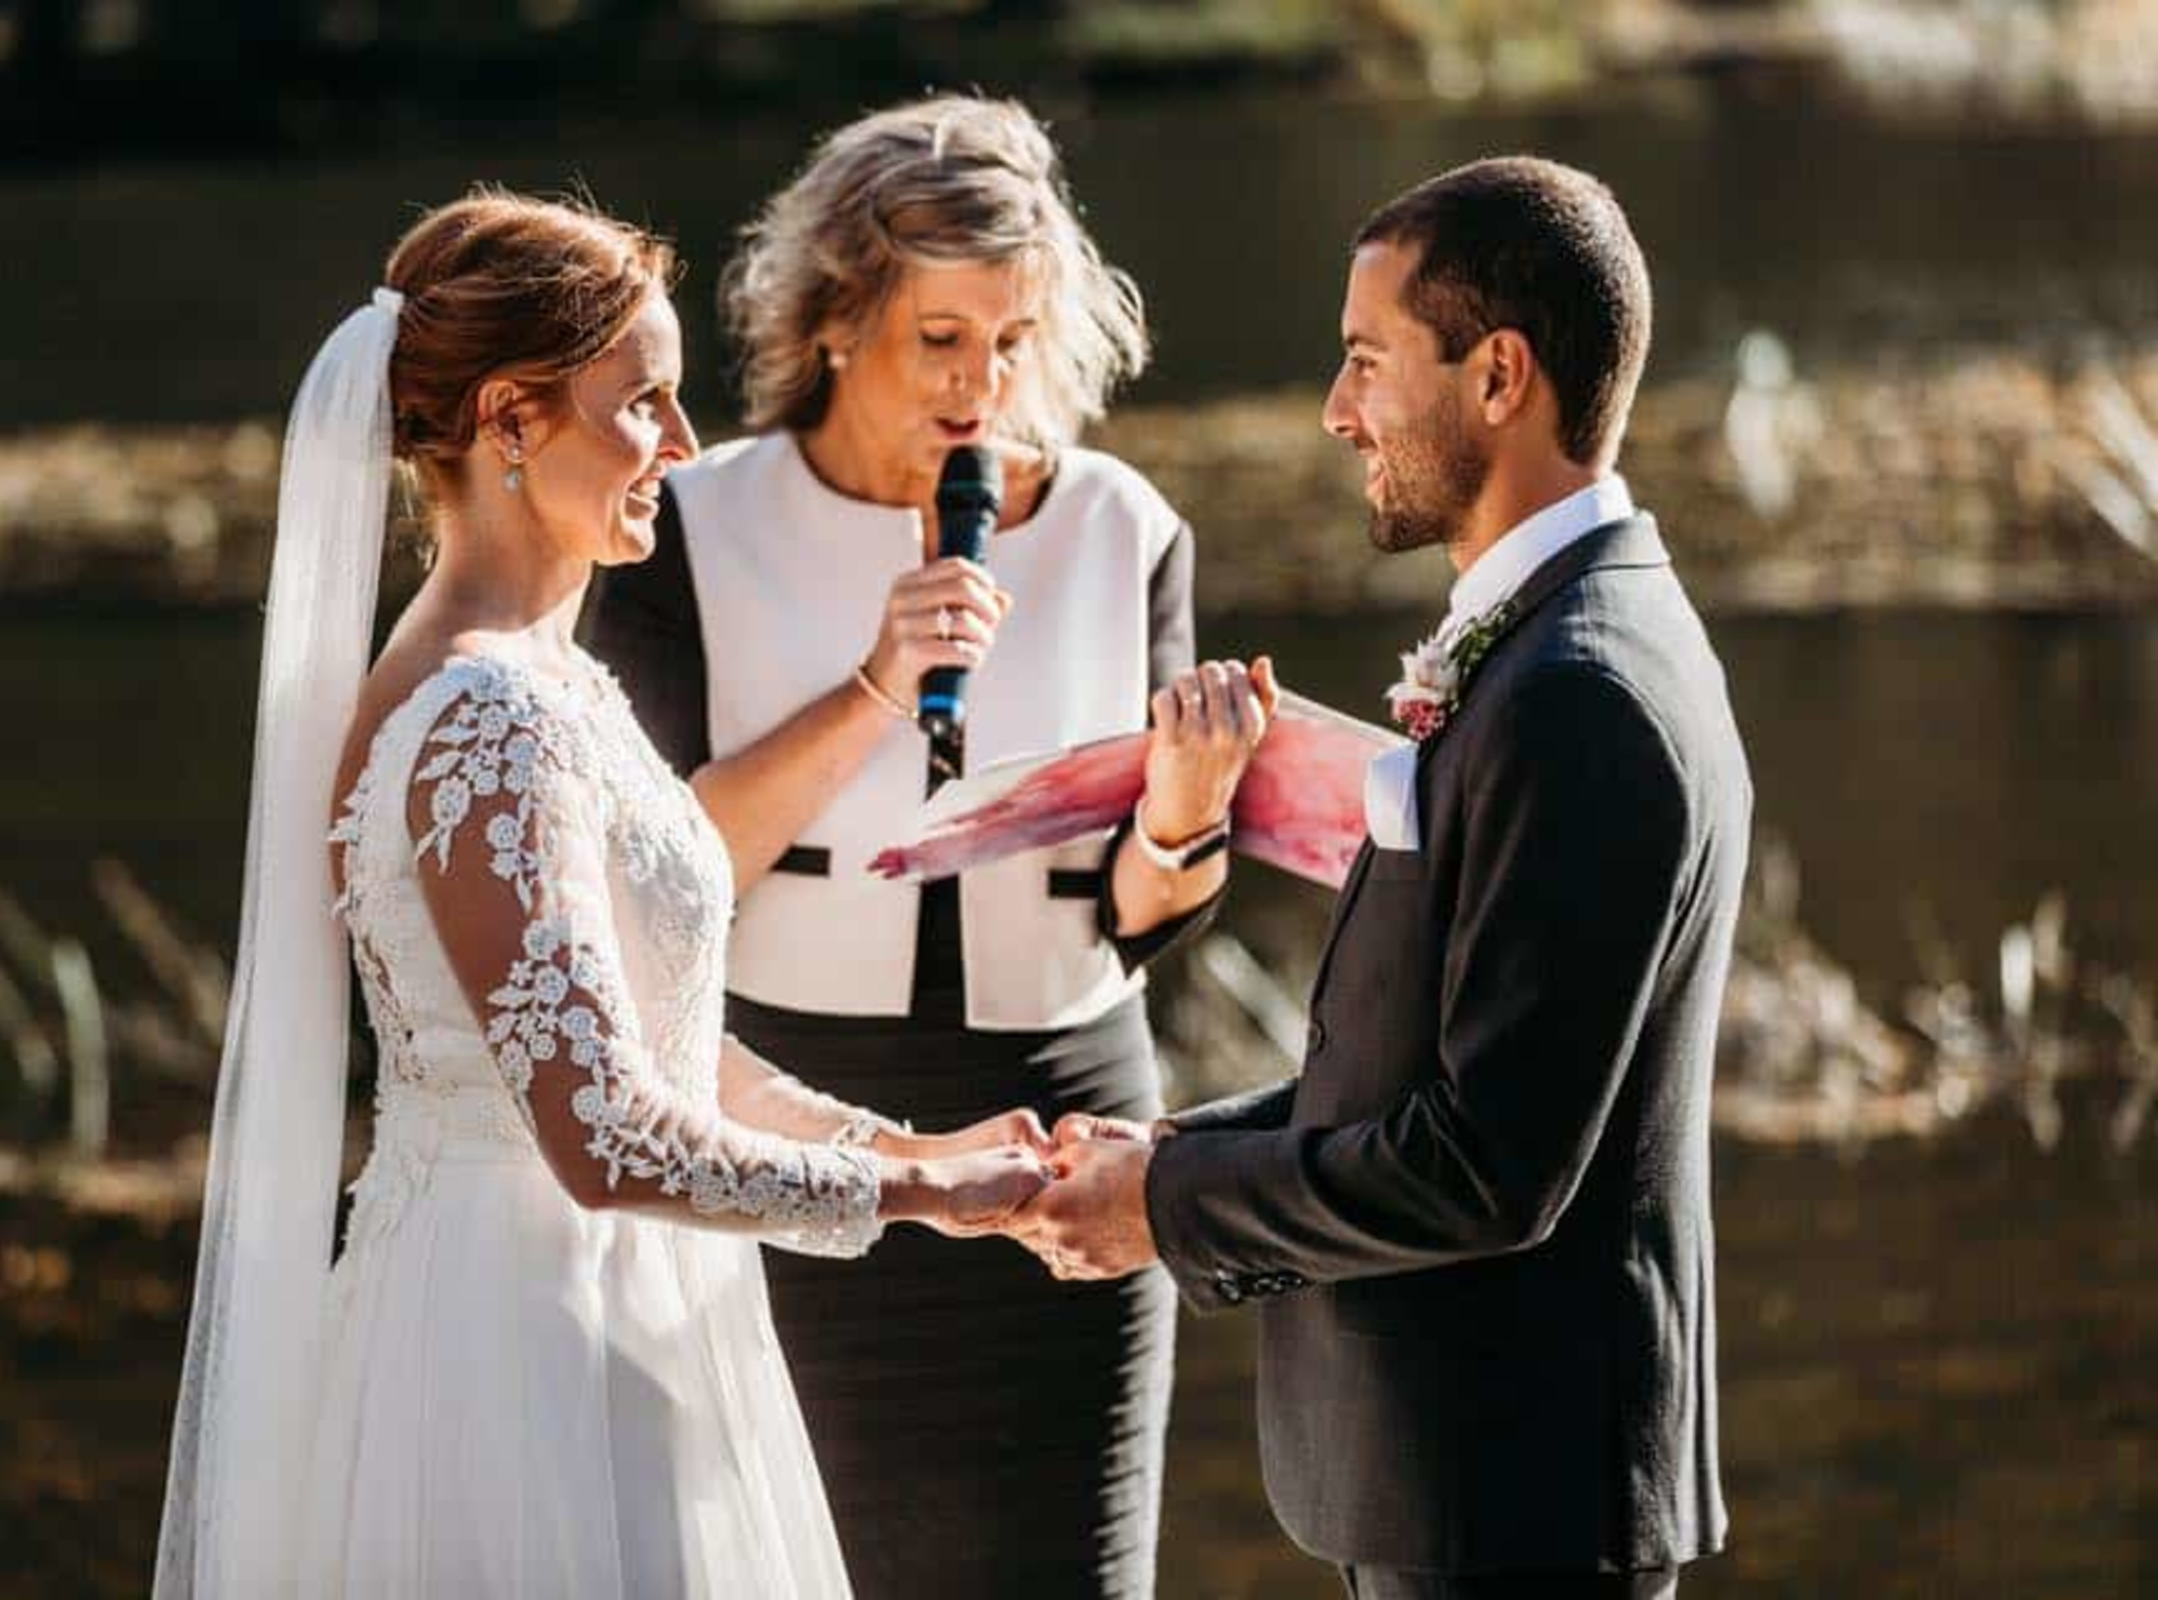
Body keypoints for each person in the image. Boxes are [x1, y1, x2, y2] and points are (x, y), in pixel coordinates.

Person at [154, 187, 1053, 1599]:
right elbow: (604, 1137)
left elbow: (653, 1032)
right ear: (512, 419)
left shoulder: (543, 676)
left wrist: (912, 1142)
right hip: (524, 1350)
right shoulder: (486, 716)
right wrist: (917, 1195)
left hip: (617, 1298)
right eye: (647, 404)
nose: (683, 449)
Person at [1023, 157, 1750, 1600]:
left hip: (1516, 1503)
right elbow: (1413, 1067)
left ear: (1498, 376)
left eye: (1366, 361)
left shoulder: (1582, 693)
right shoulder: (1549, 642)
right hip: (1462, 1485)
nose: (1335, 409)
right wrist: (1161, 1157)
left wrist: (1165, 1209)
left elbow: (1489, 1163)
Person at [585, 95, 1269, 1598]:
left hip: (1063, 1124)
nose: (983, 386)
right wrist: (875, 689)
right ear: (834, 319)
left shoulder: (1121, 525)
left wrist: (1188, 812)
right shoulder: (685, 529)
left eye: (1013, 340)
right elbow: (647, 877)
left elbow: (1141, 915)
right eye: (940, 340)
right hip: (790, 1117)